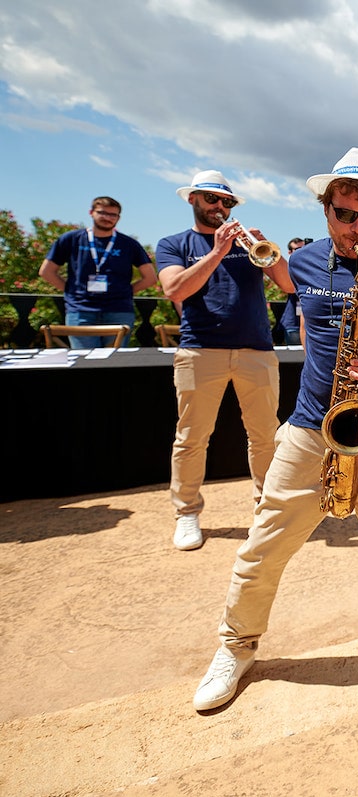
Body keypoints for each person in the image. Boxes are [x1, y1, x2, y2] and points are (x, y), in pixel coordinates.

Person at [192, 147, 358, 712]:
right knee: (263, 546)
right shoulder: (305, 263)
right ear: (326, 209)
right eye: (347, 214)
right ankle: (237, 645)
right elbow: (309, 326)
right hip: (312, 426)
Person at [156, 171, 293, 552]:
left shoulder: (248, 243)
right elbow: (174, 289)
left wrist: (267, 250)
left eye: (227, 201)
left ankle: (267, 509)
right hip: (200, 350)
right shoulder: (174, 244)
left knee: (265, 436)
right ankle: (187, 512)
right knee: (191, 438)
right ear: (193, 199)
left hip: (256, 350)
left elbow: (288, 284)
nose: (220, 206)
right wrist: (217, 251)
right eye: (212, 199)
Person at [38, 196, 156, 348]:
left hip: (119, 311)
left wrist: (125, 292)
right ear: (91, 212)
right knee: (84, 359)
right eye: (102, 213)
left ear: (118, 218)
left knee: (114, 360)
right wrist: (72, 292)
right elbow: (46, 272)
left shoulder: (129, 244)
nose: (107, 218)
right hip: (80, 310)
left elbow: (150, 278)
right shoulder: (71, 239)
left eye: (113, 215)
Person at [280, 238, 306, 346]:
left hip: (309, 323)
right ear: (290, 252)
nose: (302, 251)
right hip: (293, 324)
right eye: (297, 249)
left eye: (304, 248)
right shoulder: (287, 268)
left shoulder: (311, 267)